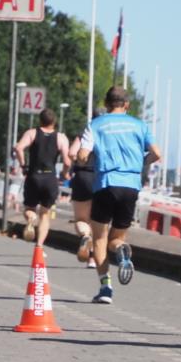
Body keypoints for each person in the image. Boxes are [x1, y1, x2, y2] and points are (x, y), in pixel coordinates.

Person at [78, 86, 162, 304]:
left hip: (106, 184)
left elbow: (82, 154)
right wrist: (140, 163)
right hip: (131, 186)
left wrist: (87, 161)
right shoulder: (139, 125)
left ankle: (105, 289)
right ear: (127, 104)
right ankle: (122, 251)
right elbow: (157, 153)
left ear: (106, 104)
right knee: (117, 239)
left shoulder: (95, 124)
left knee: (99, 238)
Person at [13, 108, 71, 248]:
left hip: (34, 176)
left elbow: (18, 148)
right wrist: (64, 173)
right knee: (45, 214)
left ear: (40, 120)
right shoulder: (61, 137)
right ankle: (39, 245)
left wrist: (23, 165)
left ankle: (31, 218)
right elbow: (67, 161)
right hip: (50, 179)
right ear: (54, 122)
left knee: (29, 208)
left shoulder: (32, 133)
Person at [69, 108, 105, 266]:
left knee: (82, 220)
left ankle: (85, 235)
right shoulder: (108, 135)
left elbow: (72, 152)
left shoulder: (85, 132)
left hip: (83, 176)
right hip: (102, 179)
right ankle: (93, 259)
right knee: (98, 221)